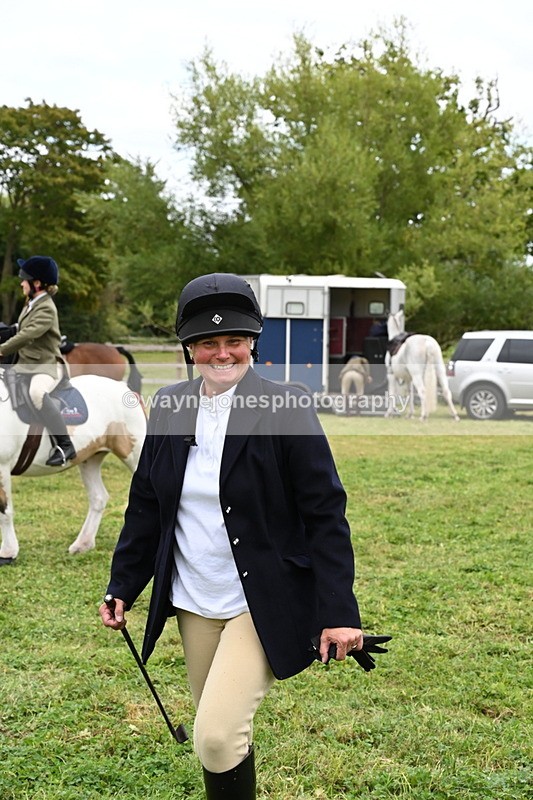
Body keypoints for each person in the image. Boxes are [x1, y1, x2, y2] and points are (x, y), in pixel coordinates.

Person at [99, 273, 364, 799]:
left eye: (234, 341)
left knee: (215, 736)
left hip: (262, 597)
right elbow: (148, 505)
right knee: (220, 738)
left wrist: (339, 611)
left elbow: (325, 512)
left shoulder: (286, 407)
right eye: (207, 343)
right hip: (194, 596)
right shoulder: (172, 407)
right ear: (190, 349)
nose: (222, 353)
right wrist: (123, 584)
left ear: (252, 343)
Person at [0, 255, 76, 467]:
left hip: (46, 365)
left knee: (36, 394)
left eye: (24, 279)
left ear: (37, 283)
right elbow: (20, 328)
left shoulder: (46, 307)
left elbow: (29, 334)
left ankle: (65, 445)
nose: (21, 282)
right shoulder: (32, 303)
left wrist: (2, 350)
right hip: (26, 365)